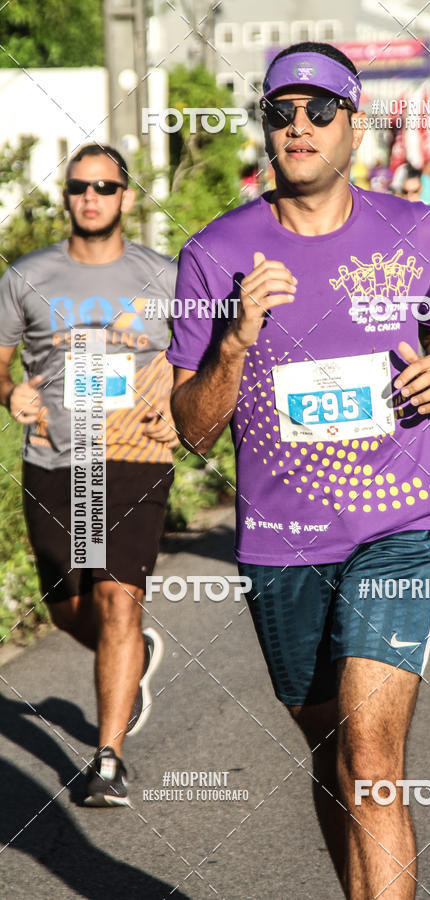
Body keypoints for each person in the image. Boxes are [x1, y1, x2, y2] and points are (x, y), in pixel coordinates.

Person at [169, 42, 430, 899]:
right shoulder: (214, 251)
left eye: (318, 109)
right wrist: (233, 344)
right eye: (280, 110)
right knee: (327, 747)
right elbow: (193, 430)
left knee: (372, 755)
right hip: (282, 543)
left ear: (355, 124)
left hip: (398, 524)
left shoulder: (415, 229)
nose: (297, 125)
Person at [0, 144, 178, 806]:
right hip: (54, 455)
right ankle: (131, 654)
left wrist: (174, 396)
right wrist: (9, 394)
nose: (92, 196)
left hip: (133, 454)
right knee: (68, 603)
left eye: (106, 186)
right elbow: (2, 362)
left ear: (126, 197)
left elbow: (201, 356)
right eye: (80, 186)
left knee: (116, 594)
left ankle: (107, 760)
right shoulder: (27, 276)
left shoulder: (166, 277)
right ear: (68, 196)